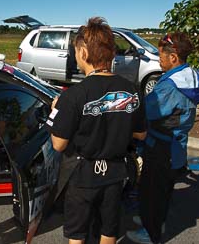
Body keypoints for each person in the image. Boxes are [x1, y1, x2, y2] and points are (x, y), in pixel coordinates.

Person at [45, 17, 146, 244]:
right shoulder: (131, 90)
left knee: (77, 235)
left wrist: (55, 112)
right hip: (116, 173)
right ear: (111, 53)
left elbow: (58, 144)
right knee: (108, 231)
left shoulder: (73, 95)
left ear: (83, 52)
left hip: (83, 175)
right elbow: (141, 134)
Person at [126, 32, 199, 244]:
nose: (158, 59)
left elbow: (147, 110)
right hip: (176, 146)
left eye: (161, 56)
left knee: (153, 192)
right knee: (162, 190)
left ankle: (151, 232)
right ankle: (150, 219)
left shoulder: (170, 86)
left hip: (162, 147)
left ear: (174, 57)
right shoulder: (191, 75)